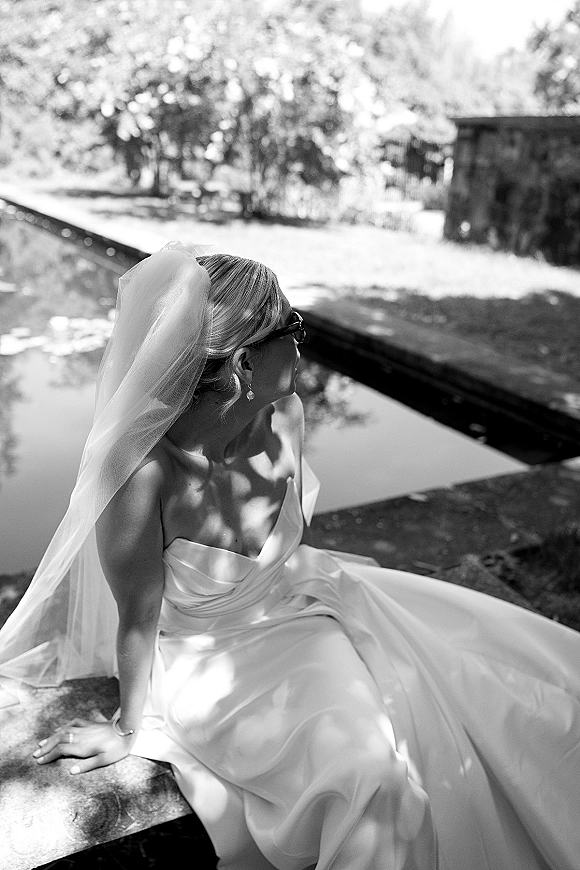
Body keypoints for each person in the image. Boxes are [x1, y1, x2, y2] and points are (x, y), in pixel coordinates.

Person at [0, 242, 579, 870]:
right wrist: (127, 729)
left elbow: (288, 540)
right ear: (246, 361)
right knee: (367, 775)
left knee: (503, 694)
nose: (303, 343)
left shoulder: (286, 418)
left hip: (301, 613)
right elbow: (137, 621)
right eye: (292, 327)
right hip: (209, 662)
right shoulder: (140, 477)